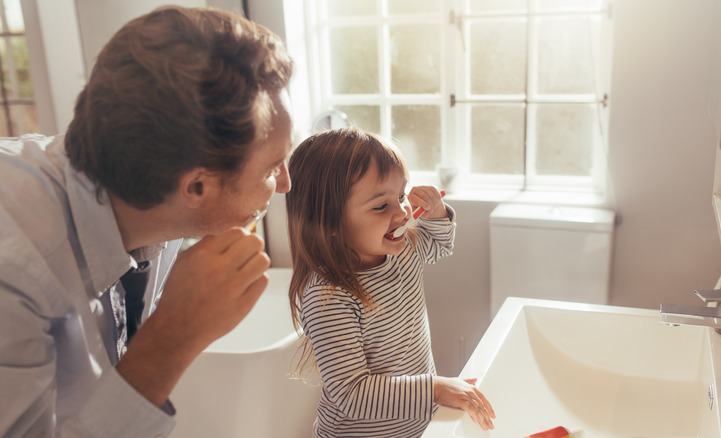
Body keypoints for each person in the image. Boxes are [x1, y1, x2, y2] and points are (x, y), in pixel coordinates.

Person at [0, 6, 294, 437]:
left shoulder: (152, 200)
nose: (285, 184)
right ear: (196, 188)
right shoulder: (15, 267)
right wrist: (174, 335)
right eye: (272, 167)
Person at [286, 128, 496, 437]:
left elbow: (438, 245)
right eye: (381, 206)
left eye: (401, 195)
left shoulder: (402, 249)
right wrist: (435, 389)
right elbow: (351, 394)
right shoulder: (329, 298)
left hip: (413, 425)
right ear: (328, 223)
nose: (402, 212)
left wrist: (436, 213)